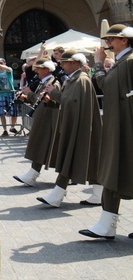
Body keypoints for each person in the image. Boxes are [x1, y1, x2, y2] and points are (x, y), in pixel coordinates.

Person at [80, 24, 133, 240]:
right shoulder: (124, 61)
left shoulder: (128, 62)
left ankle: (107, 224)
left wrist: (99, 63)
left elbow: (105, 85)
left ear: (125, 41)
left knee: (117, 170)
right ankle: (106, 224)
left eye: (112, 39)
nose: (107, 43)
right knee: (116, 170)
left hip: (125, 126)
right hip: (120, 125)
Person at [37, 50, 102, 207]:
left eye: (64, 62)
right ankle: (98, 194)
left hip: (79, 126)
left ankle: (57, 195)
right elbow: (68, 101)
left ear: (74, 63)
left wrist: (55, 93)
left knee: (74, 158)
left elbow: (72, 102)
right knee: (87, 159)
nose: (61, 65)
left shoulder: (81, 80)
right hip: (74, 124)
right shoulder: (74, 79)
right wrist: (54, 97)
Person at [13, 57, 61, 187]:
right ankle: (32, 174)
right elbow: (37, 100)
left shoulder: (52, 83)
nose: (36, 71)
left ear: (46, 70)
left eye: (38, 69)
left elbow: (49, 100)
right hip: (42, 118)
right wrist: (24, 97)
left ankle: (33, 175)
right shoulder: (43, 82)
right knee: (41, 147)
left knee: (43, 147)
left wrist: (28, 93)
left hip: (48, 119)